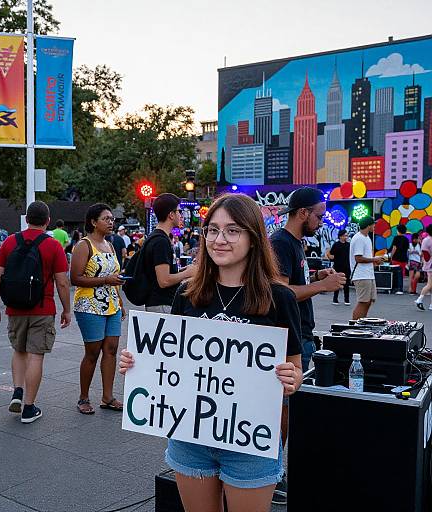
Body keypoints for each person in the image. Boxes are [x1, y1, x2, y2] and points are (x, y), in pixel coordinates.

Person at [120, 193, 302, 512]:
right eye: (212, 230)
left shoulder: (279, 298)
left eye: (232, 230)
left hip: (249, 441)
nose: (219, 239)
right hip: (190, 438)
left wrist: (291, 378)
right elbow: (169, 356)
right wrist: (138, 363)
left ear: (254, 237)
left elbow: (296, 370)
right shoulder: (187, 295)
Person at [270, 187, 345, 504]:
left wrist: (315, 274)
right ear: (302, 213)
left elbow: (294, 282)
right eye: (318, 214)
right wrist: (322, 285)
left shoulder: (296, 244)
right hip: (291, 335)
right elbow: (281, 292)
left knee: (290, 408)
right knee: (282, 410)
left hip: (302, 332)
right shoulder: (280, 243)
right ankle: (273, 474)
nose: (321, 219)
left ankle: (277, 470)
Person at [0, 201, 71, 424]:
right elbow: (62, 282)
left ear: (27, 219)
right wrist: (66, 310)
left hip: (15, 307)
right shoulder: (53, 245)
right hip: (42, 308)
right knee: (36, 355)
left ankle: (17, 390)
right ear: (47, 221)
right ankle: (29, 407)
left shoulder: (9, 242)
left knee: (19, 350)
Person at [71, 204, 125, 414]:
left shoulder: (110, 245)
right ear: (93, 222)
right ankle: (83, 397)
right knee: (92, 352)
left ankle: (108, 397)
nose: (111, 222)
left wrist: (119, 300)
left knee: (111, 350)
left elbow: (114, 278)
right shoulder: (84, 245)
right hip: (89, 305)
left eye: (112, 219)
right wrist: (105, 280)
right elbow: (76, 278)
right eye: (106, 219)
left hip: (112, 304)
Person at [143, 193, 195, 313]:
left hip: (160, 303)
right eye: (179, 211)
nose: (181, 215)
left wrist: (181, 271)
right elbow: (164, 281)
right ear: (171, 215)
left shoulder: (159, 237)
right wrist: (188, 273)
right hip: (162, 304)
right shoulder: (160, 241)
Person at [350, 216, 384, 320]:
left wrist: (374, 261)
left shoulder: (366, 238)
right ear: (369, 225)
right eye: (373, 224)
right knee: (363, 301)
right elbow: (358, 258)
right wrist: (374, 260)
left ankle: (361, 322)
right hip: (361, 275)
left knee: (369, 300)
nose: (374, 226)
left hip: (368, 274)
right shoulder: (359, 238)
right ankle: (355, 325)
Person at [326, 229, 351, 305]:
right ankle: (335, 299)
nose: (346, 237)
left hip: (347, 266)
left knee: (346, 284)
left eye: (347, 235)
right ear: (340, 236)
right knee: (337, 282)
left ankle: (347, 300)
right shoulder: (336, 244)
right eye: (344, 235)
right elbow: (331, 254)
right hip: (338, 266)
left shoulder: (348, 245)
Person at [415, 224, 432, 310]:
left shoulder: (425, 240)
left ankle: (430, 304)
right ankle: (419, 299)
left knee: (431, 284)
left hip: (428, 263)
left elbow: (423, 253)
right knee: (429, 284)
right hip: (431, 264)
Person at [389, 224, 409, 294]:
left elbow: (394, 248)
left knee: (395, 273)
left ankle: (396, 288)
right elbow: (407, 250)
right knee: (401, 273)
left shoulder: (396, 238)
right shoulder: (406, 239)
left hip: (396, 258)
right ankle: (400, 288)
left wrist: (391, 256)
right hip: (403, 259)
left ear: (398, 231)